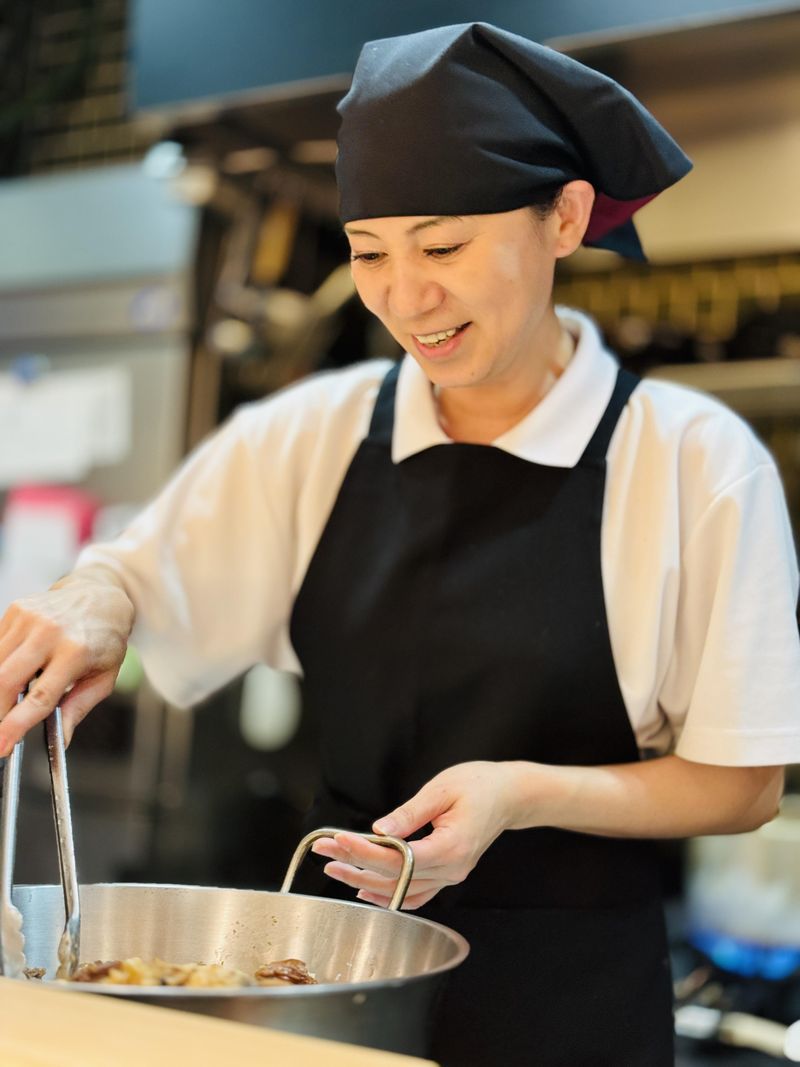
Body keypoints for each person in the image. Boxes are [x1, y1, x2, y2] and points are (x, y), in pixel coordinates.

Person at [1, 21, 798, 1066]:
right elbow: (138, 572)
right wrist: (95, 596)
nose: (404, 298)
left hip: (570, 1007)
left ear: (561, 218)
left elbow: (741, 785)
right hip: (331, 990)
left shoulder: (694, 461)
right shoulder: (314, 430)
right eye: (369, 252)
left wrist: (520, 792)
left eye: (442, 246)